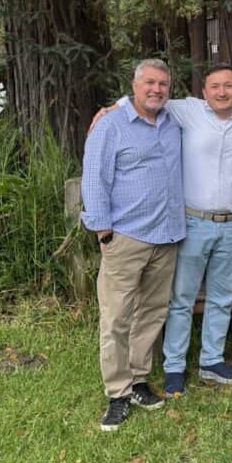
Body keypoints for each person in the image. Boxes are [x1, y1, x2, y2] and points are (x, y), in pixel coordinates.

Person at [90, 64, 232, 397]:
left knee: (222, 298)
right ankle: (174, 367)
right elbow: (144, 98)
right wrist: (111, 107)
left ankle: (211, 360)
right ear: (203, 92)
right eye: (215, 86)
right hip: (193, 223)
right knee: (180, 300)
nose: (222, 92)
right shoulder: (186, 111)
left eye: (229, 86)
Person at [81, 58, 185, 431]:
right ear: (134, 85)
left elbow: (213, 108)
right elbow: (94, 177)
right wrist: (102, 228)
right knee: (116, 316)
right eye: (150, 83)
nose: (156, 90)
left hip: (168, 235)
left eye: (163, 84)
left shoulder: (173, 121)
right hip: (126, 236)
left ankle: (139, 379)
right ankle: (117, 393)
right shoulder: (111, 124)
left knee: (152, 312)